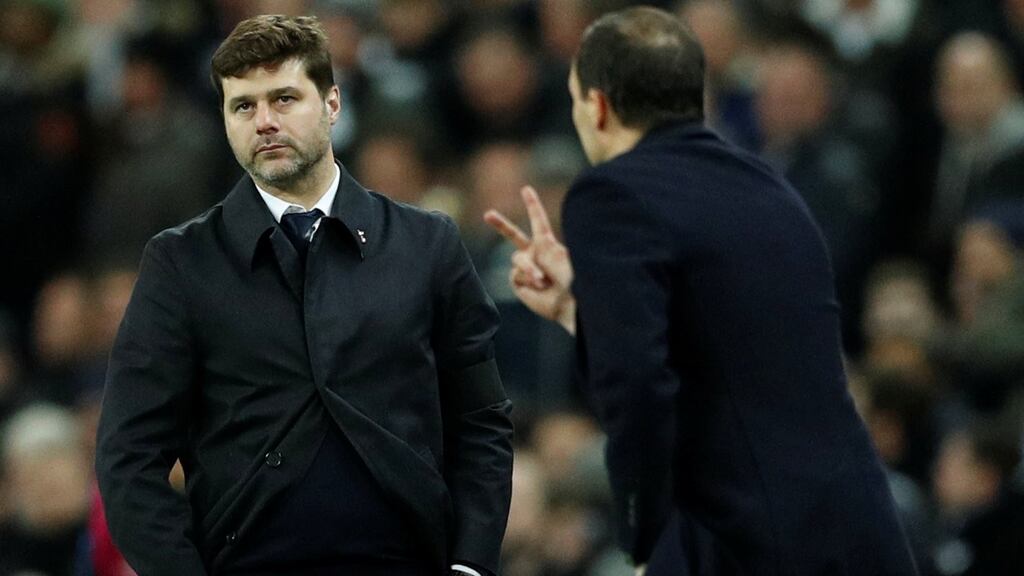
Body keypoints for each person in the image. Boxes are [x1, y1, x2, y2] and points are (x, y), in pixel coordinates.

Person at [484, 7, 917, 575]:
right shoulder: (769, 186)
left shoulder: (610, 193)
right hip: (857, 523)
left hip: (748, 540)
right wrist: (581, 308)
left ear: (598, 106)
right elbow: (732, 351)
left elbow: (637, 381)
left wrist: (642, 532)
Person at [95, 15, 513, 576]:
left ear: (333, 104)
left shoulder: (426, 244)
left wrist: (470, 565)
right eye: (243, 106)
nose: (264, 122)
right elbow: (129, 457)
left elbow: (481, 420)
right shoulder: (180, 263)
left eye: (284, 98)